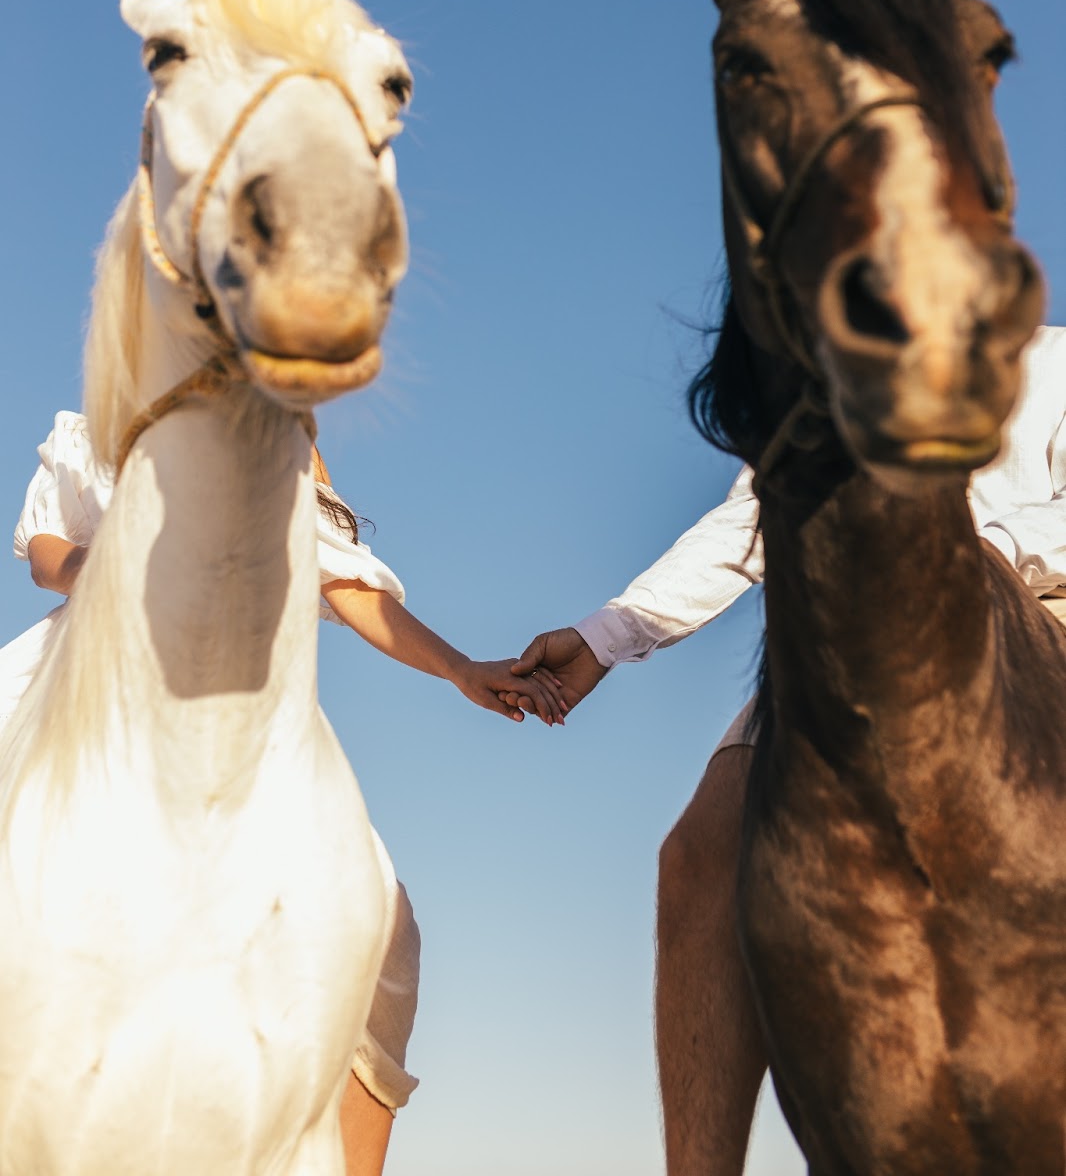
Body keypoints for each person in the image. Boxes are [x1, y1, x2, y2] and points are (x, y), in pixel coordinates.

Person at [508, 322, 1066, 1175]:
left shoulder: (1058, 362)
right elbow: (758, 518)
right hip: (859, 651)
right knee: (700, 855)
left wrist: (973, 552)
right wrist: (606, 636)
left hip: (1043, 619)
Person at [12, 410, 565, 1176]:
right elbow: (44, 551)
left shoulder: (285, 441)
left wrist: (462, 670)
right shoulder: (99, 421)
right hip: (104, 669)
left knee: (382, 933)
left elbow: (346, 586)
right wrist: (118, 571)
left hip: (248, 700)